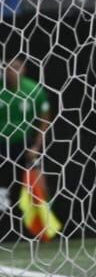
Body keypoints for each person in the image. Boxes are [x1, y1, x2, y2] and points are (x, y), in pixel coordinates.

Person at [0, 52, 53, 240]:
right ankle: (5, 229)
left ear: (23, 69)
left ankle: (38, 228)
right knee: (3, 188)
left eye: (16, 67)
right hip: (2, 145)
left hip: (25, 145)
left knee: (32, 184)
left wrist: (36, 146)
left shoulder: (34, 90)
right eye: (8, 68)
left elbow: (44, 118)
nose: (11, 72)